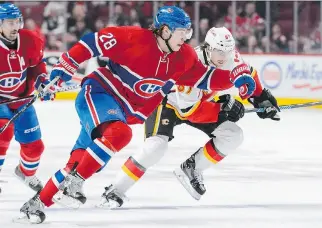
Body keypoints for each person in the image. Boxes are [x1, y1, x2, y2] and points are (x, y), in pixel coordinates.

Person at [17, 6, 257, 224]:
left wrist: (238, 79)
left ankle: (36, 204)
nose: (186, 37)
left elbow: (207, 79)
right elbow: (92, 42)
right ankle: (75, 184)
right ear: (164, 31)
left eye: (188, 31)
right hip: (100, 94)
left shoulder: (184, 57)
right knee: (120, 134)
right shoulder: (133, 37)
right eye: (181, 32)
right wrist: (65, 66)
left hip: (123, 111)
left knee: (82, 162)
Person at [99, 27, 280, 208]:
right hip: (167, 103)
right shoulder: (191, 63)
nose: (224, 56)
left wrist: (261, 97)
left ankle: (192, 168)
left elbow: (248, 73)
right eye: (219, 51)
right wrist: (222, 110)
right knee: (155, 147)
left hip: (198, 104)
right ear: (208, 48)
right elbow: (189, 112)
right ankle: (115, 190)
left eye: (228, 51)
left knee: (233, 135)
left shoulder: (231, 58)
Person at [0, 3, 55, 194]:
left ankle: (26, 173)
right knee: (3, 133)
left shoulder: (30, 40)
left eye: (17, 21)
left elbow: (37, 66)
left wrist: (42, 82)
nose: (15, 26)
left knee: (35, 147)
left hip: (22, 99)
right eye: (10, 22)